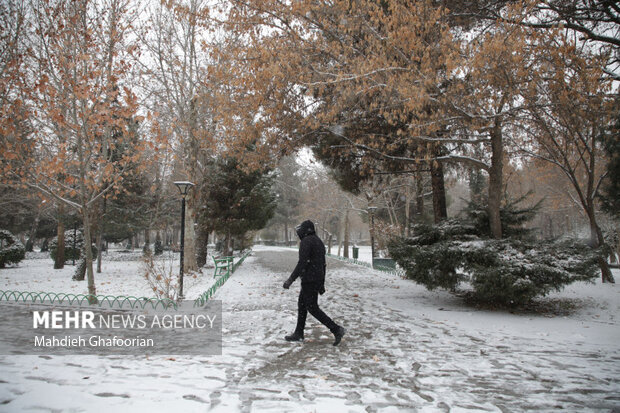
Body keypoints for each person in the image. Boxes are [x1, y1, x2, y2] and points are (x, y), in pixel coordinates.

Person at [283, 220, 345, 346]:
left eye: (301, 229)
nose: (298, 231)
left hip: (309, 280)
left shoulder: (306, 242)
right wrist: (322, 283)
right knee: (302, 304)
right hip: (315, 279)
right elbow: (323, 264)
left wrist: (290, 280)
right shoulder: (318, 241)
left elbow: (302, 263)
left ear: (306, 230)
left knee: (312, 308)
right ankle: (298, 333)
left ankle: (336, 329)